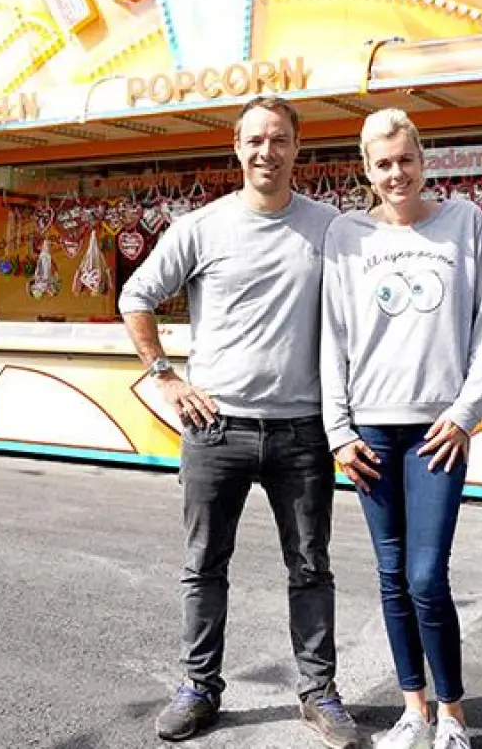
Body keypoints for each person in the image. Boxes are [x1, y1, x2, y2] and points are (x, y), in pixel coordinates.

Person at [119, 96, 361, 747]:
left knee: (310, 567)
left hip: (301, 431)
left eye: (279, 140)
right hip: (215, 431)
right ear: (237, 146)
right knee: (204, 566)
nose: (267, 152)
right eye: (255, 140)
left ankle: (319, 693)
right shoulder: (201, 227)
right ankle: (199, 688)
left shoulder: (330, 228)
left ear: (296, 148)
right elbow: (134, 295)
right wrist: (165, 374)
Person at [320, 109, 482, 749]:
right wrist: (338, 431)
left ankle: (453, 714)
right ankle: (413, 709)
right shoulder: (345, 236)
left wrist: (464, 412)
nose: (395, 173)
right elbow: (332, 337)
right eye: (382, 163)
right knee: (392, 574)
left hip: (436, 431)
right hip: (371, 430)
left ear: (423, 159)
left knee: (427, 575)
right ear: (366, 169)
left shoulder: (464, 223)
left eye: (405, 160)